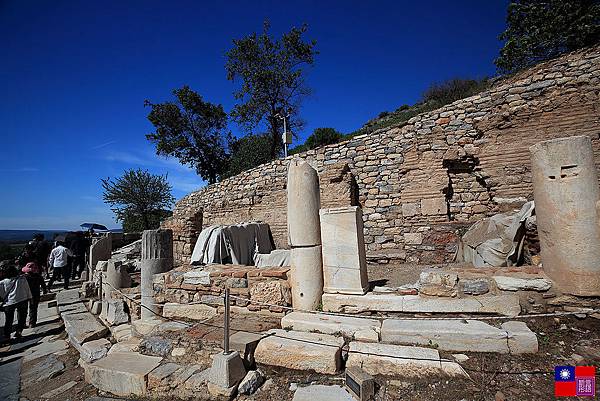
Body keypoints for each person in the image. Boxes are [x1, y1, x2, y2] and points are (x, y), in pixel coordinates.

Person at [0, 260, 32, 342]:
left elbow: (2, 295)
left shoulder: (2, 283)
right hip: (22, 299)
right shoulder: (22, 278)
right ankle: (18, 332)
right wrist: (30, 297)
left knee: (9, 319)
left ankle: (7, 335)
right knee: (22, 317)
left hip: (9, 302)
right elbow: (27, 289)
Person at [21, 261, 47, 327]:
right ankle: (32, 323)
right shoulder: (39, 276)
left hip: (24, 295)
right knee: (33, 308)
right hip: (35, 294)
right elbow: (43, 286)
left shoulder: (23, 277)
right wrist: (44, 291)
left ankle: (22, 323)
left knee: (23, 310)